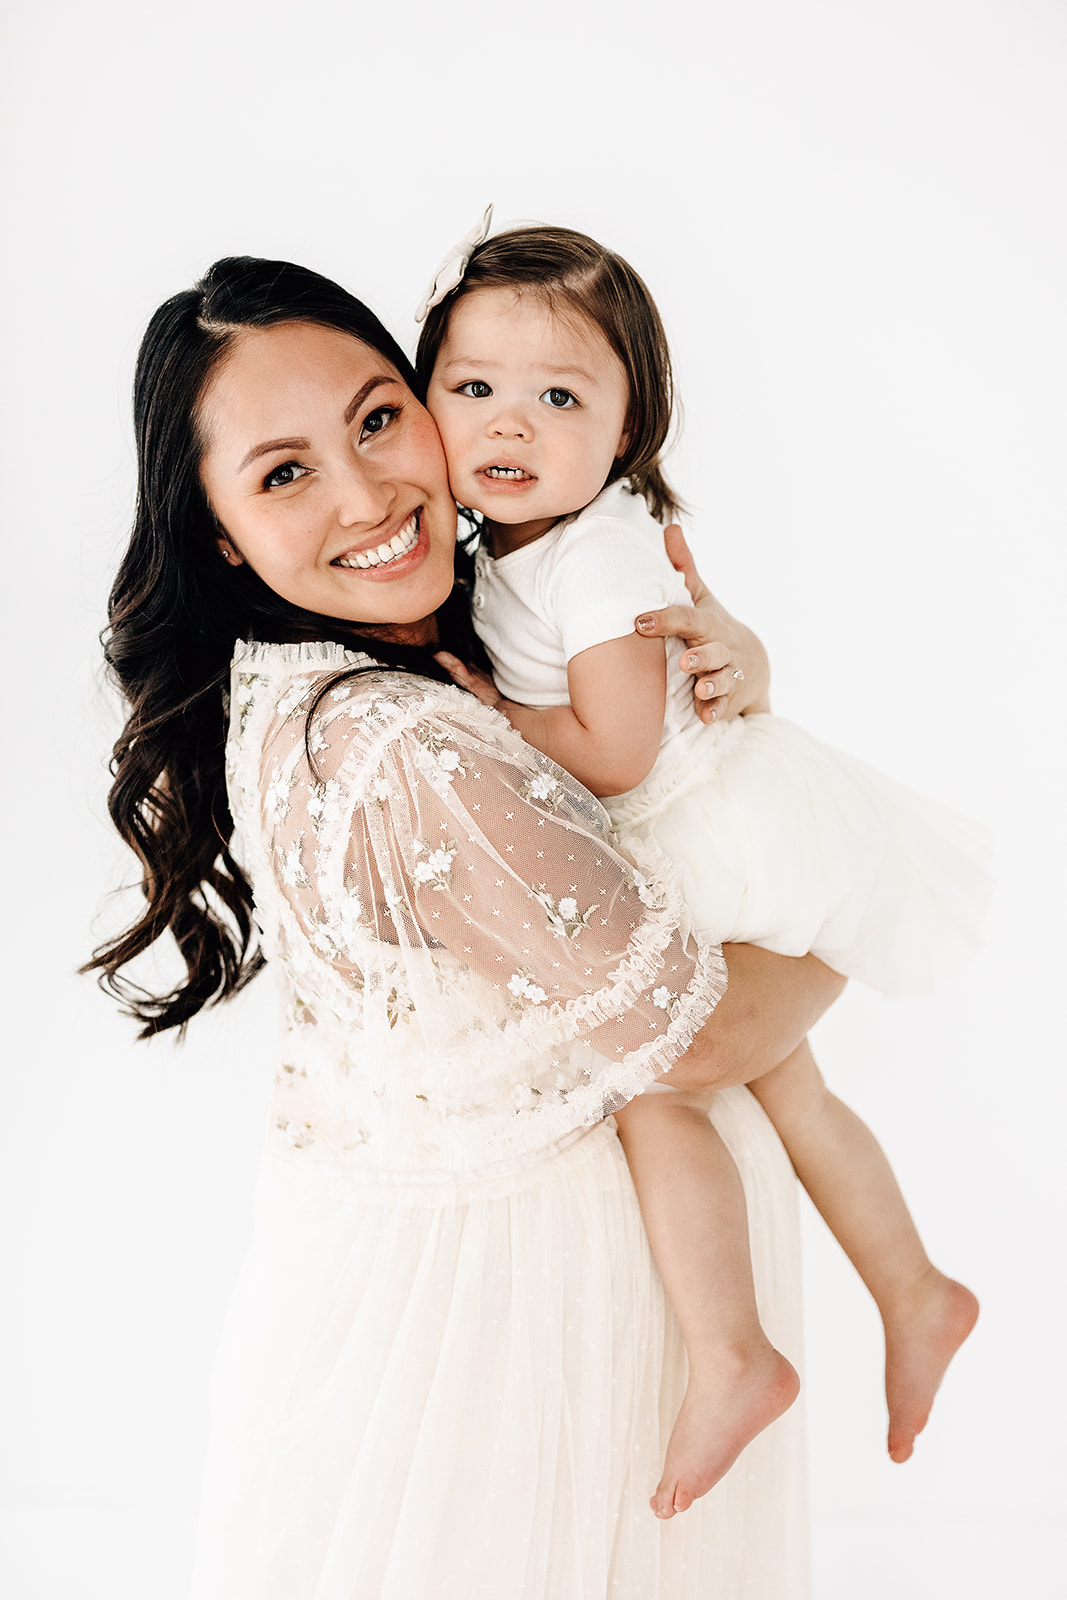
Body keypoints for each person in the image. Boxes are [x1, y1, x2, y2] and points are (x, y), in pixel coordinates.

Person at [84, 255, 846, 1599]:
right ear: (214, 531)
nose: (371, 495)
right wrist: (850, 911)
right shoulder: (411, 742)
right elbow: (696, 1027)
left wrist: (712, 672)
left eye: (380, 419)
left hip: (402, 1303)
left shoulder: (307, 681)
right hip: (499, 1341)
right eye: (284, 474)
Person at [415, 221, 988, 1518]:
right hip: (705, 834)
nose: (512, 421)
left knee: (654, 1087)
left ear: (625, 434)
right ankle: (915, 1291)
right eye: (475, 387)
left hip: (707, 832)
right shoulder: (495, 540)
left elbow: (615, 750)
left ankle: (733, 1355)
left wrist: (488, 722)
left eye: (561, 396)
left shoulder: (601, 549)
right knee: (790, 1086)